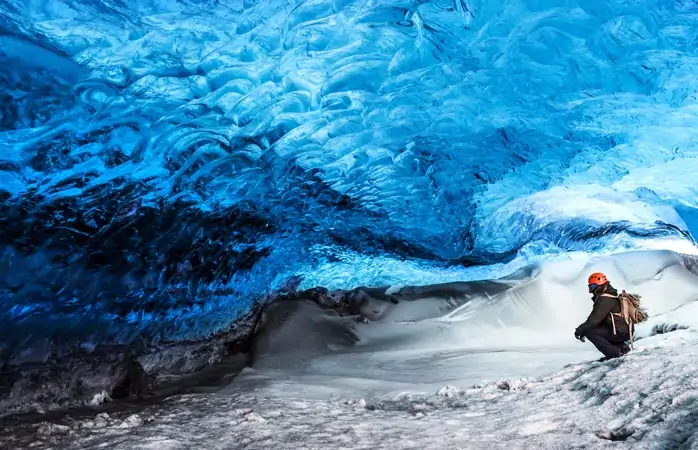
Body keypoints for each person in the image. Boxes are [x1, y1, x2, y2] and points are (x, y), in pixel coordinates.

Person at [574, 272, 632, 361]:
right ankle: (622, 348)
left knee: (590, 331)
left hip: (621, 332)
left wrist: (579, 330)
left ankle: (614, 354)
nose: (591, 289)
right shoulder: (610, 296)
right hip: (623, 330)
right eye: (590, 286)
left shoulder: (605, 300)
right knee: (599, 328)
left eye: (593, 286)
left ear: (601, 286)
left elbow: (593, 321)